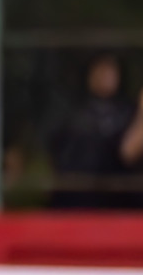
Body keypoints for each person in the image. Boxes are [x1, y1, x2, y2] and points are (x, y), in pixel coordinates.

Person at [51, 54, 134, 209]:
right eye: (99, 69)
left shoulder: (129, 112)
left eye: (110, 70)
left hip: (119, 200)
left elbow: (129, 155)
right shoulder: (72, 112)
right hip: (77, 200)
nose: (104, 75)